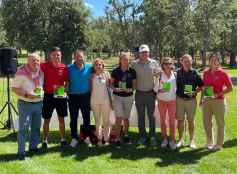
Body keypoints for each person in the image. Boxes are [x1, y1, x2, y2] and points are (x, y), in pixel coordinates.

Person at [11, 53, 44, 160]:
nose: (36, 62)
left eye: (37, 60)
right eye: (33, 60)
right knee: (23, 129)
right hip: (25, 104)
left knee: (36, 128)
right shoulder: (21, 72)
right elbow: (14, 88)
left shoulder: (41, 72)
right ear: (28, 61)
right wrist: (26, 94)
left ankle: (33, 148)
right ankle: (21, 152)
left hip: (38, 103)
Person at [201, 53, 233, 150]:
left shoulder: (223, 73)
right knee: (206, 122)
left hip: (219, 101)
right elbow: (205, 87)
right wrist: (201, 99)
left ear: (218, 61)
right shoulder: (205, 72)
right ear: (209, 61)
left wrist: (218, 94)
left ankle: (219, 144)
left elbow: (230, 88)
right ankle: (209, 142)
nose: (213, 62)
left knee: (220, 123)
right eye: (212, 60)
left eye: (216, 60)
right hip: (207, 100)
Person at [131, 44, 160, 146]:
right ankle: (143, 136)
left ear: (149, 52)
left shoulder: (154, 63)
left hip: (150, 93)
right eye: (142, 52)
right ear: (139, 53)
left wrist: (157, 89)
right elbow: (129, 76)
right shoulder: (134, 64)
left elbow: (159, 76)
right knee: (141, 116)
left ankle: (152, 136)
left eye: (146, 52)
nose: (144, 54)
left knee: (152, 116)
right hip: (139, 93)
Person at [41, 47, 69, 149]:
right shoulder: (44, 66)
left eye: (58, 55)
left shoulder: (64, 67)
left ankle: (63, 139)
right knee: (46, 119)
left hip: (60, 94)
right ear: (50, 56)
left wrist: (65, 90)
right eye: (54, 55)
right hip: (48, 95)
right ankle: (44, 140)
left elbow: (67, 82)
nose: (56, 57)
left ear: (60, 56)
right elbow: (35, 70)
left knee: (61, 119)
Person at [176, 54, 203, 149]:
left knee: (191, 120)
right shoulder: (177, 73)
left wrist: (194, 92)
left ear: (191, 62)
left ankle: (191, 140)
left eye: (188, 61)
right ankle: (180, 140)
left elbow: (202, 86)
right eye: (185, 61)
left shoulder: (195, 73)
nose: (187, 63)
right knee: (180, 120)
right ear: (181, 62)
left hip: (191, 101)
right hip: (179, 100)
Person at [68, 50, 92, 147]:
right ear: (74, 57)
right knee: (73, 118)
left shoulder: (89, 67)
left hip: (85, 96)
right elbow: (64, 81)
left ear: (84, 57)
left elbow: (100, 70)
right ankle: (74, 137)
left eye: (81, 56)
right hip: (73, 97)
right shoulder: (69, 68)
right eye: (77, 56)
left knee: (86, 117)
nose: (79, 58)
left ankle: (86, 137)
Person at [110, 52, 136, 145]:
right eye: (124, 59)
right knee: (119, 117)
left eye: (127, 60)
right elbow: (111, 84)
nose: (126, 61)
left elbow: (134, 85)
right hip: (118, 97)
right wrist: (115, 88)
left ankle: (125, 135)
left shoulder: (132, 71)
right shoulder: (115, 71)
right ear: (120, 60)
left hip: (128, 97)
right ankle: (117, 138)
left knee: (126, 118)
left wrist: (131, 90)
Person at [154, 57, 177, 150]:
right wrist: (161, 90)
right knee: (163, 121)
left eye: (169, 63)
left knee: (172, 121)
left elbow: (177, 88)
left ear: (172, 64)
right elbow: (155, 89)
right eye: (165, 64)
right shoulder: (159, 75)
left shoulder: (175, 74)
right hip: (161, 101)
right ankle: (164, 139)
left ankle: (171, 140)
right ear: (162, 65)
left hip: (172, 101)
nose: (167, 65)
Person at [90, 58, 111, 146]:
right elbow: (90, 89)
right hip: (94, 101)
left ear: (103, 66)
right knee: (98, 121)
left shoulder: (106, 74)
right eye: (96, 65)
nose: (98, 66)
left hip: (105, 101)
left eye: (100, 65)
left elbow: (110, 87)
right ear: (94, 66)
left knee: (106, 121)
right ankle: (99, 139)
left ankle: (106, 139)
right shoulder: (91, 76)